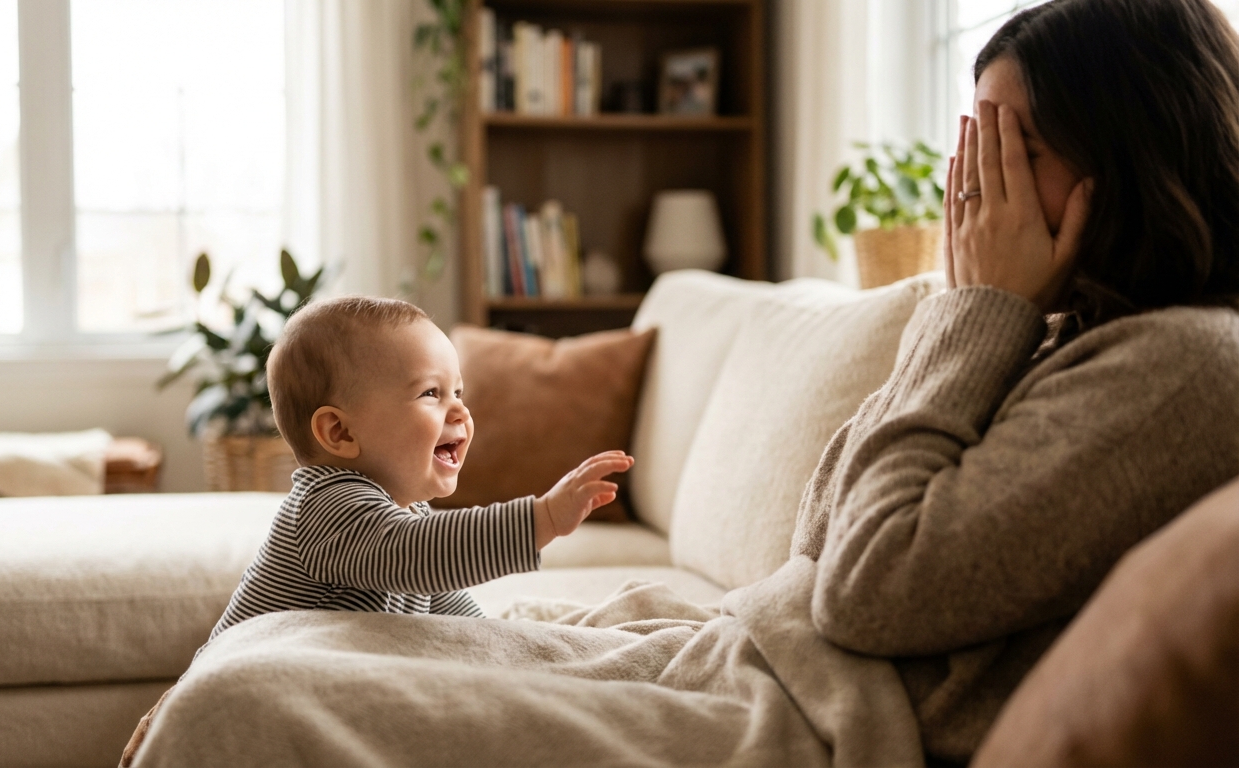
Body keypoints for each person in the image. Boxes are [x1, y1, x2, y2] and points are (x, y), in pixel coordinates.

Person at [131, 1, 1239, 765]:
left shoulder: (1186, 367)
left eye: (1012, 142)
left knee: (247, 702)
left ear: (1127, 151)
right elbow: (823, 530)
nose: (969, 182)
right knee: (274, 661)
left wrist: (972, 313)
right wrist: (973, 324)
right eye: (970, 139)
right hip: (768, 652)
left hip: (819, 716)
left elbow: (870, 586)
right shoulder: (1042, 338)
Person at [208, 295, 631, 634]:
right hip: (232, 702)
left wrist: (517, 653)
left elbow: (458, 618)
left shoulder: (404, 514)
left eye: (459, 393)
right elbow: (426, 553)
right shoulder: (326, 510)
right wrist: (544, 518)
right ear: (340, 433)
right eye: (431, 393)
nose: (460, 412)